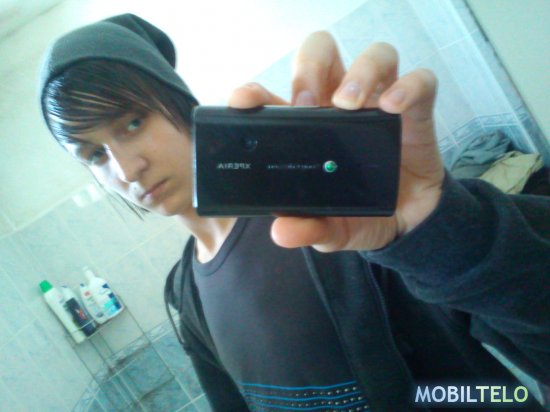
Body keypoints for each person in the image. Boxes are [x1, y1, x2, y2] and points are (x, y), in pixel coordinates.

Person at [39, 13, 549, 412]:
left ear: (182, 104)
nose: (127, 169)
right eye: (95, 154)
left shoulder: (332, 226)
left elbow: (505, 377)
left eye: (132, 123)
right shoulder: (185, 291)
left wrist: (441, 231)